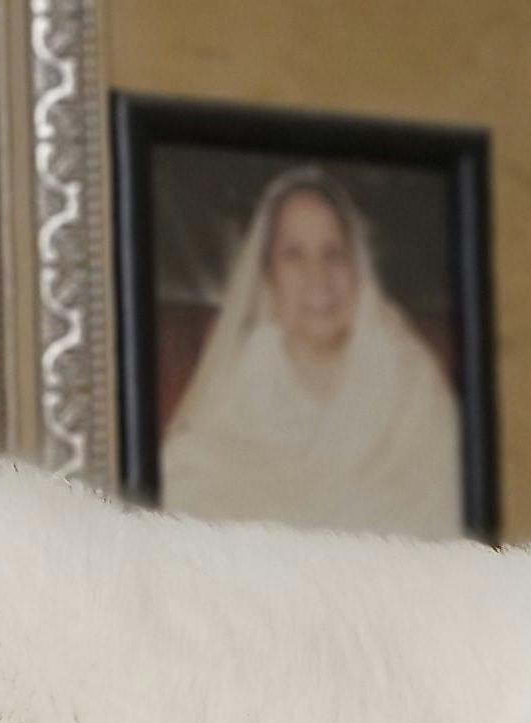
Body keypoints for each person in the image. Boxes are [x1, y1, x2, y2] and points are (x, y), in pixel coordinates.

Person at [156, 169, 464, 538]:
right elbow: (183, 490)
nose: (318, 278)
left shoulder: (408, 375)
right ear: (268, 278)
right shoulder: (243, 380)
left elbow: (448, 509)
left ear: (358, 268)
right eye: (294, 256)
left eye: (334, 254)